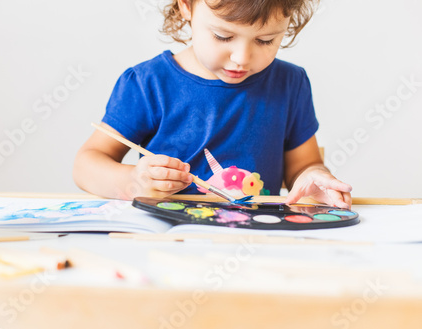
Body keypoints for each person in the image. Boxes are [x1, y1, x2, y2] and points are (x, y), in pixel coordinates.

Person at [73, 0, 352, 209]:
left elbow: (304, 166)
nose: (242, 57)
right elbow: (86, 165)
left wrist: (315, 177)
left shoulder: (290, 83)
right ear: (186, 7)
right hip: (170, 241)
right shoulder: (148, 83)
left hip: (254, 242)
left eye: (265, 40)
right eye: (223, 36)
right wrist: (133, 181)